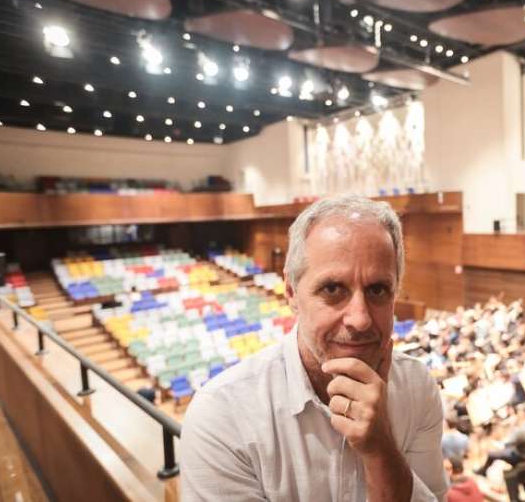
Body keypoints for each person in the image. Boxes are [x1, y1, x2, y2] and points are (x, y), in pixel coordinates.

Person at [181, 195, 448, 501]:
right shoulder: (221, 415)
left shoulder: (418, 388)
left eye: (378, 290)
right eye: (333, 289)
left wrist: (382, 452)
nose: (359, 319)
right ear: (292, 292)